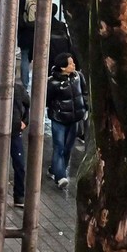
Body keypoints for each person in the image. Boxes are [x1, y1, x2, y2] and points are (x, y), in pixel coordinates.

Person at [46, 55, 87, 187]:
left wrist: (85, 108)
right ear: (63, 67)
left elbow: (84, 92)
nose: (73, 65)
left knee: (68, 147)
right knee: (59, 147)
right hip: (59, 119)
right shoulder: (52, 82)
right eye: (70, 63)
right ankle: (60, 176)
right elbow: (47, 100)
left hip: (74, 118)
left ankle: (55, 169)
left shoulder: (78, 77)